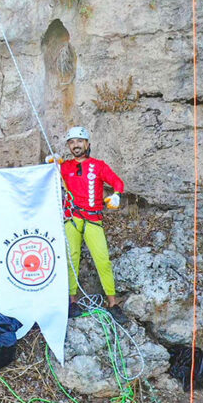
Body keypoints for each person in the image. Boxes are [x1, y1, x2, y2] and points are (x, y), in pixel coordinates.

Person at [48, 126, 126, 324]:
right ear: (69, 145)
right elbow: (47, 179)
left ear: (87, 144)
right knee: (70, 260)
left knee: (103, 260)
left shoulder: (98, 165)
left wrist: (116, 195)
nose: (76, 145)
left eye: (79, 141)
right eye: (72, 142)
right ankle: (71, 301)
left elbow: (117, 182)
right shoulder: (64, 167)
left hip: (92, 218)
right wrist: (49, 165)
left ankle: (113, 303)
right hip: (72, 218)